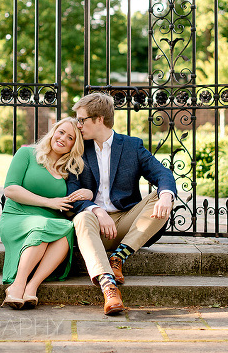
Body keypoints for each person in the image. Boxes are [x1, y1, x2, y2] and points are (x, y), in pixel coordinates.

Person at [66, 92, 176, 315]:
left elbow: (162, 173)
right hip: (93, 226)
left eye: (81, 119)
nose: (78, 125)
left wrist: (166, 195)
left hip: (126, 224)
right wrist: (97, 209)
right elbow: (71, 190)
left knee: (161, 196)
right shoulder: (78, 148)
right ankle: (108, 287)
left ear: (99, 120)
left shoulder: (131, 146)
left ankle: (118, 257)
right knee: (83, 215)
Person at [0, 117, 92, 309]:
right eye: (61, 132)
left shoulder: (69, 169)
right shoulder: (26, 153)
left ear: (74, 145)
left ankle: (32, 286)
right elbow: (10, 189)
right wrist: (49, 202)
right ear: (53, 131)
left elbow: (85, 191)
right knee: (43, 227)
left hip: (52, 222)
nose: (63, 139)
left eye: (70, 138)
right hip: (18, 217)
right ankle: (18, 284)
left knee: (67, 228)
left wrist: (88, 192)